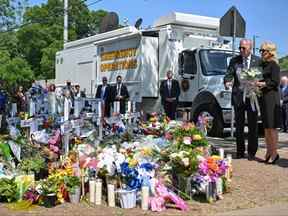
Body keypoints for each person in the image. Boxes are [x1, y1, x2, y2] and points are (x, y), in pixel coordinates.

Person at [223, 39, 261, 160]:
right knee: (239, 126)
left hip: (252, 96)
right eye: (240, 48)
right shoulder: (234, 60)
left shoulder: (258, 61)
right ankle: (240, 151)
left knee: (252, 125)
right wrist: (227, 81)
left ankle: (252, 151)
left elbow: (261, 76)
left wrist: (256, 83)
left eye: (243, 48)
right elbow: (228, 74)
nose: (241, 50)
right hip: (238, 96)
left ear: (250, 48)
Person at [256, 42, 281, 164]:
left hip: (271, 98)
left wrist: (263, 83)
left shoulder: (274, 65)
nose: (261, 53)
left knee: (272, 127)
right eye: (260, 51)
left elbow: (275, 82)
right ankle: (268, 151)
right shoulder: (262, 64)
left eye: (263, 51)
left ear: (269, 52)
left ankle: (274, 153)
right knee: (266, 127)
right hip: (264, 97)